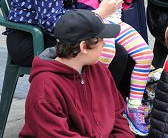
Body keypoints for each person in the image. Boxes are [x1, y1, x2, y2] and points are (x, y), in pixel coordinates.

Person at [76, 0, 152, 136]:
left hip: (113, 22)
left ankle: (134, 105)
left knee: (145, 54)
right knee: (106, 53)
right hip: (94, 20)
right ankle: (90, 100)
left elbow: (120, 5)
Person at [19, 9, 134, 137]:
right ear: (83, 47)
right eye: (100, 39)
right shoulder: (45, 87)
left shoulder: (99, 70)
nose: (104, 44)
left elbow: (117, 115)